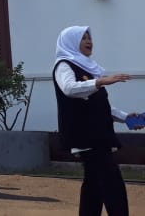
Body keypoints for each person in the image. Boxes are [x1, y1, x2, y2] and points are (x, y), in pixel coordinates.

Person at [53, 25, 141, 216]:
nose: (89, 41)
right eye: (83, 38)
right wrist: (100, 81)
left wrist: (125, 117)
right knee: (112, 184)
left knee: (93, 188)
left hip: (98, 135)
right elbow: (69, 88)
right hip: (87, 137)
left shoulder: (87, 68)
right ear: (71, 42)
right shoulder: (64, 65)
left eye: (89, 37)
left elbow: (99, 104)